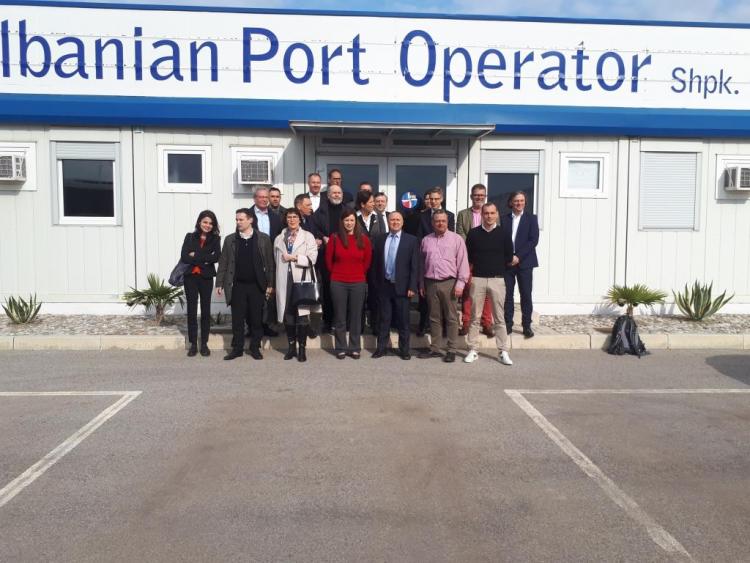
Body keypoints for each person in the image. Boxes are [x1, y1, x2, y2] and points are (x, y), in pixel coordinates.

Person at [216, 209, 275, 361]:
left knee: (256, 319)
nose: (238, 222)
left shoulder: (263, 239)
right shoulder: (230, 240)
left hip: (257, 285)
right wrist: (219, 283)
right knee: (237, 319)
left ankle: (255, 348)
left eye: (241, 219)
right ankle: (237, 349)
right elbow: (223, 262)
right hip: (237, 286)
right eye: (236, 220)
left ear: (250, 220)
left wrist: (270, 283)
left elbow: (270, 263)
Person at [464, 202, 515, 366]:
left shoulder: (504, 233)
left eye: (492, 213)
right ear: (482, 215)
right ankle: (473, 350)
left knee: (499, 318)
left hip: (497, 279)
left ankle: (503, 351)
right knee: (475, 317)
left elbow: (509, 257)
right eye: (486, 213)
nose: (489, 216)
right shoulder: (473, 234)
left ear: (497, 214)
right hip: (478, 279)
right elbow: (469, 256)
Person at [418, 210, 469, 363]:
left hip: (449, 283)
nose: (440, 223)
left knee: (451, 318)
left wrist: (461, 283)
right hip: (430, 283)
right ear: (432, 223)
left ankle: (451, 349)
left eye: (443, 221)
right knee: (434, 317)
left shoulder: (456, 239)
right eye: (437, 221)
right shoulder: (426, 240)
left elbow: (463, 263)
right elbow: (421, 264)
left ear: (447, 222)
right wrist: (421, 283)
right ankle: (435, 348)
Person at [371, 211, 420, 360]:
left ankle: (404, 350)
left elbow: (414, 266)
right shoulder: (380, 239)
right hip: (384, 286)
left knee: (403, 320)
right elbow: (375, 264)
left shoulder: (411, 240)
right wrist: (376, 284)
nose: (395, 222)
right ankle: (381, 348)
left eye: (398, 220)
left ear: (402, 222)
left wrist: (412, 286)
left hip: (403, 287)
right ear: (388, 221)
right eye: (392, 220)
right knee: (384, 319)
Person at [325, 209, 372, 359]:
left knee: (356, 316)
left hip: (358, 282)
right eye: (346, 220)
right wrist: (337, 273)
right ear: (342, 222)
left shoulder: (364, 239)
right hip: (338, 282)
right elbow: (328, 261)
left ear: (356, 222)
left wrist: (358, 273)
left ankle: (354, 347)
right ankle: (340, 347)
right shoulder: (334, 238)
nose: (349, 223)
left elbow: (367, 261)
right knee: (340, 317)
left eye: (352, 220)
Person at [273, 208, 318, 363]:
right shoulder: (279, 238)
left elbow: (312, 258)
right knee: (288, 315)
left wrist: (294, 258)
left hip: (301, 280)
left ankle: (302, 349)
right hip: (284, 280)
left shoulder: (308, 236)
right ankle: (291, 348)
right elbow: (276, 261)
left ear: (300, 219)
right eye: (289, 217)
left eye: (295, 217)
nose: (292, 220)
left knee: (302, 316)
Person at [456, 183, 495, 338]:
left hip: (487, 259)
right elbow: (460, 234)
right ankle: (466, 322)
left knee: (487, 293)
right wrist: (474, 247)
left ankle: (486, 323)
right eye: (476, 195)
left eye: (481, 195)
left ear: (485, 196)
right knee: (468, 292)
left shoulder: (491, 213)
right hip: (469, 258)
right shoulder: (463, 214)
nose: (479, 197)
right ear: (471, 196)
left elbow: (494, 233)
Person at [180, 210, 221, 357]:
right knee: (191, 311)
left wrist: (196, 254)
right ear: (199, 222)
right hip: (190, 277)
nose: (207, 225)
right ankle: (193, 344)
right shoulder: (189, 237)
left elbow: (216, 257)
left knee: (205, 311)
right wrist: (205, 258)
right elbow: (185, 256)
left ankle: (204, 344)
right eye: (205, 222)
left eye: (210, 223)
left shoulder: (215, 239)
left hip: (206, 278)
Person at [503, 191, 539, 338]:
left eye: (522, 200)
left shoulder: (531, 219)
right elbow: (501, 239)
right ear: (511, 202)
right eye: (516, 201)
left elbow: (533, 240)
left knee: (526, 294)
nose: (519, 203)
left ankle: (526, 325)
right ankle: (508, 324)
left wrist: (518, 256)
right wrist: (509, 256)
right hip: (507, 262)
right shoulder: (504, 219)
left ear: (525, 202)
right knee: (508, 295)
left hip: (525, 262)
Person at [312, 185, 347, 333]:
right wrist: (322, 237)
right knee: (327, 289)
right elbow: (314, 228)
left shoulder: (347, 210)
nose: (336, 195)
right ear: (328, 195)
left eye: (339, 192)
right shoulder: (320, 211)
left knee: (343, 290)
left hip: (344, 256)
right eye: (334, 193)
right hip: (327, 255)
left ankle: (342, 321)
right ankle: (327, 321)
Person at [249, 187, 282, 337]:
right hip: (252, 258)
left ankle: (266, 325)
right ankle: (252, 327)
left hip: (270, 259)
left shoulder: (275, 217)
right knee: (253, 295)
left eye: (265, 197)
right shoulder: (247, 215)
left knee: (268, 293)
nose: (264, 200)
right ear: (255, 198)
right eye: (260, 197)